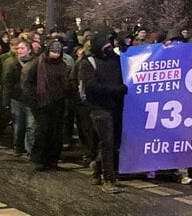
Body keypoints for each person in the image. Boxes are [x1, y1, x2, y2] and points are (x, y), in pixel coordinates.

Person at [80, 32, 128, 192]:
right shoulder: (88, 63)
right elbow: (92, 87)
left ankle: (97, 165)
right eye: (105, 46)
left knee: (114, 142)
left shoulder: (116, 61)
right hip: (99, 108)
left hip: (116, 106)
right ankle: (109, 178)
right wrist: (117, 90)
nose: (108, 49)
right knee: (107, 141)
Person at [23, 39, 69, 170]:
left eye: (58, 52)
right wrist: (33, 99)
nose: (56, 54)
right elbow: (29, 83)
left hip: (57, 102)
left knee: (56, 132)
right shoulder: (38, 64)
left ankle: (53, 159)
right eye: (53, 51)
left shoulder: (62, 65)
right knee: (43, 130)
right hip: (41, 102)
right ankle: (39, 159)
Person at [2, 39, 36, 156]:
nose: (19, 51)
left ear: (29, 50)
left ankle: (30, 150)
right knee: (19, 124)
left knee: (31, 125)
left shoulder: (34, 64)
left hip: (30, 99)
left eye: (22, 48)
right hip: (17, 98)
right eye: (18, 49)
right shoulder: (12, 64)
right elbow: (7, 83)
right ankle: (18, 147)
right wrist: (6, 100)